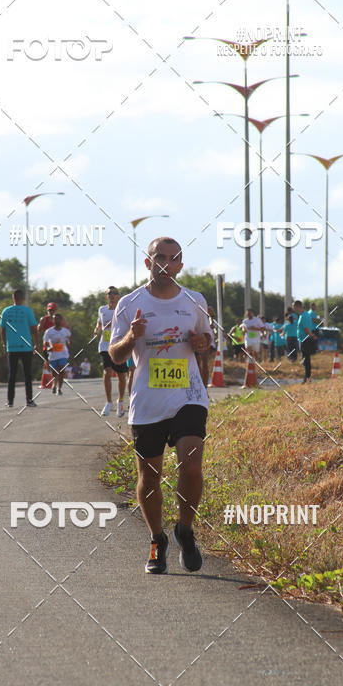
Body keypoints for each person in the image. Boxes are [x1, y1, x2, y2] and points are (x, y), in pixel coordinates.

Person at [109, 236, 212, 575]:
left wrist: (202, 343)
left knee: (191, 465)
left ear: (181, 265)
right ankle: (157, 539)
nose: (166, 264)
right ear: (148, 262)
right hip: (148, 401)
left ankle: (185, 528)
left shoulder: (194, 301)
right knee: (149, 478)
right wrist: (131, 337)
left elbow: (207, 341)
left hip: (188, 395)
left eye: (174, 259)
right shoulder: (129, 303)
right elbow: (116, 356)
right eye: (160, 258)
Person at [0, 289, 38, 407]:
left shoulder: (6, 311)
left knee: (12, 375)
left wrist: (4, 344)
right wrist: (36, 343)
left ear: (13, 297)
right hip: (26, 346)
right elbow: (34, 328)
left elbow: (2, 329)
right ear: (22, 298)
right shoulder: (27, 311)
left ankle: (10, 401)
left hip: (12, 347)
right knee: (27, 374)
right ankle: (29, 400)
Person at [94, 286, 128, 417]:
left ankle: (120, 402)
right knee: (107, 371)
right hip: (104, 345)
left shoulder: (122, 309)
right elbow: (99, 324)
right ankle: (109, 402)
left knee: (121, 375)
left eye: (114, 293)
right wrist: (96, 330)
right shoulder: (102, 309)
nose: (112, 295)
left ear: (118, 296)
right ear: (106, 296)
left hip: (118, 345)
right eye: (109, 293)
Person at [43, 313, 72, 395]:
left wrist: (69, 341)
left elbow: (69, 339)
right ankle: (54, 385)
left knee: (62, 371)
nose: (57, 320)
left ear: (61, 320)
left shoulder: (65, 331)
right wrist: (49, 348)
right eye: (55, 319)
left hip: (63, 354)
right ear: (53, 320)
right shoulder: (49, 331)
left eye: (59, 319)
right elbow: (45, 342)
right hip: (53, 355)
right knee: (54, 373)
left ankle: (59, 388)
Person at [294, 299, 317, 384]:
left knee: (306, 360)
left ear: (298, 307)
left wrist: (312, 336)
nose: (294, 310)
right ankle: (307, 377)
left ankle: (307, 378)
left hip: (305, 340)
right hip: (303, 339)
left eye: (295, 308)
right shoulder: (303, 315)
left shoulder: (304, 316)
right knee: (305, 359)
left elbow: (307, 328)